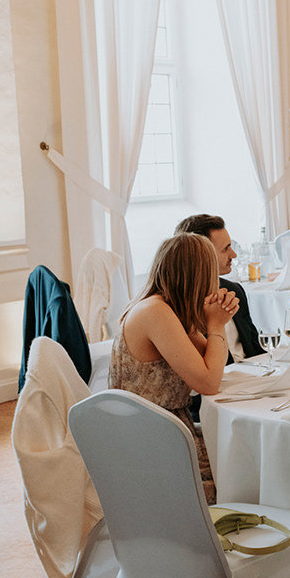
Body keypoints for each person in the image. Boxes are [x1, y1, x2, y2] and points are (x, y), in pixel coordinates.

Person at [110, 232, 238, 503]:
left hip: (164, 430)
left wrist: (215, 320)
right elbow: (209, 382)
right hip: (153, 443)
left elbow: (215, 362)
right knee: (238, 460)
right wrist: (217, 324)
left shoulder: (168, 309)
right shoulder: (155, 313)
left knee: (237, 448)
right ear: (199, 276)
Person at [174, 214, 264, 363]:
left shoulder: (234, 290)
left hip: (253, 373)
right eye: (225, 249)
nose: (233, 254)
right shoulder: (181, 306)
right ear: (201, 255)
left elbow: (256, 350)